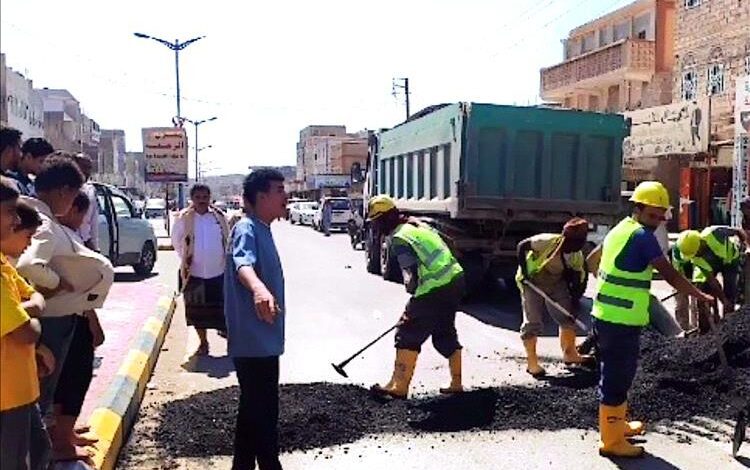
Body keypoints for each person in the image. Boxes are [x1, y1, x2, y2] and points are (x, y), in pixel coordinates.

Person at [591, 181, 712, 458]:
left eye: (661, 216)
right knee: (617, 377)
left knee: (617, 373)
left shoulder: (620, 229)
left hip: (606, 316)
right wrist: (699, 295)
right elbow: (669, 274)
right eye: (652, 215)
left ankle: (617, 426)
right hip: (619, 320)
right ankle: (611, 442)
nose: (657, 221)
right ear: (638, 208)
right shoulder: (642, 237)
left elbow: (592, 261)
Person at [16, 155, 112, 463]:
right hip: (52, 320)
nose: (73, 204)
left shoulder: (42, 218)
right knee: (43, 395)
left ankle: (52, 448)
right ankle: (47, 455)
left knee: (47, 392)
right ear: (61, 191)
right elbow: (29, 265)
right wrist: (56, 283)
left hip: (59, 317)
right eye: (73, 195)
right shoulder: (42, 223)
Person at [368, 195, 466, 399]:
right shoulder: (418, 226)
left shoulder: (399, 238)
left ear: (384, 219)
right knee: (444, 332)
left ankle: (399, 387)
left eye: (375, 222)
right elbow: (450, 245)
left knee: (406, 331)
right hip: (455, 279)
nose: (375, 228)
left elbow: (410, 273)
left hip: (435, 287)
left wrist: (412, 306)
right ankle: (457, 383)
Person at [225, 169, 287, 470]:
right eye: (279, 190)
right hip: (253, 341)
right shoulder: (247, 228)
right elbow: (243, 262)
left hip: (263, 340)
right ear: (261, 197)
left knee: (252, 411)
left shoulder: (262, 227)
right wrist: (259, 288)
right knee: (263, 413)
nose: (284, 197)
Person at [47, 191, 105, 460]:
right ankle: (61, 443)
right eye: (81, 213)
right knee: (72, 376)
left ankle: (64, 433)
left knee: (71, 376)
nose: (83, 220)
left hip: (76, 313)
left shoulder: (67, 235)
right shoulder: (54, 234)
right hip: (66, 315)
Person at [0, 176, 51, 470]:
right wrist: (32, 317)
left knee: (39, 452)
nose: (16, 220)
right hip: (6, 396)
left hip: (20, 390)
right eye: (10, 212)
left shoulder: (4, 265)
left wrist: (26, 307)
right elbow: (26, 333)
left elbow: (34, 296)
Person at [516, 217, 592, 378]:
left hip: (556, 283)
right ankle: (532, 363)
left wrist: (575, 302)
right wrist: (524, 272)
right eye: (575, 244)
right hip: (533, 281)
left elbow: (580, 280)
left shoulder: (576, 256)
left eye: (580, 244)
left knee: (567, 317)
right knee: (532, 321)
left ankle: (570, 354)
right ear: (566, 239)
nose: (577, 248)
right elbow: (522, 246)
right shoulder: (546, 241)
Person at [172, 184, 230, 356]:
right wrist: (187, 258)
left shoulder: (219, 217)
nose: (202, 201)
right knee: (197, 312)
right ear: (192, 199)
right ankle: (203, 343)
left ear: (210, 198)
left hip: (219, 272)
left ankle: (230, 342)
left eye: (205, 197)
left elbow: (227, 238)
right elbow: (176, 241)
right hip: (194, 273)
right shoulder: (184, 218)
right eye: (198, 197)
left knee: (224, 311)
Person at [673, 225, 746, 331]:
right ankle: (710, 327)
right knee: (707, 287)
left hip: (730, 261)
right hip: (714, 264)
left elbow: (737, 231)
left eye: (697, 252)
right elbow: (713, 281)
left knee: (730, 291)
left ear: (701, 244)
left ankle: (729, 326)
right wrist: (722, 300)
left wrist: (744, 243)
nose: (696, 255)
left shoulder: (713, 232)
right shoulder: (697, 259)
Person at [72, 154, 99, 252]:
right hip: (69, 242)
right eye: (83, 167)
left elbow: (93, 223)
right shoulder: (64, 191)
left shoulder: (90, 191)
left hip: (86, 244)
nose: (87, 171)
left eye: (89, 168)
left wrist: (95, 247)